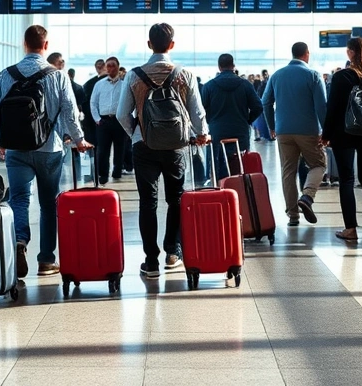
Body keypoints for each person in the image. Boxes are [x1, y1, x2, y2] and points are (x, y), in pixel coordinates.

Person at [0, 26, 91, 279]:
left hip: (16, 148)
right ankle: (47, 259)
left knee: (19, 200)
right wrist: (79, 140)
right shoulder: (58, 76)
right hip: (50, 149)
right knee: (48, 205)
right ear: (46, 46)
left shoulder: (5, 75)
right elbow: (69, 111)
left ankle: (20, 241)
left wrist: (0, 141)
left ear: (24, 43)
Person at [118, 23, 207, 279]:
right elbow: (196, 111)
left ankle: (151, 261)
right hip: (176, 146)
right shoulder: (183, 74)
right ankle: (173, 253)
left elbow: (123, 114)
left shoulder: (134, 75)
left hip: (143, 146)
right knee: (176, 199)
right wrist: (201, 134)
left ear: (149, 44)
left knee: (148, 202)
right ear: (172, 45)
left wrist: (138, 132)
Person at [321, 37, 362, 241]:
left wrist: (326, 135)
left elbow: (332, 108)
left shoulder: (342, 77)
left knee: (347, 180)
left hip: (344, 134)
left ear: (351, 52)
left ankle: (350, 228)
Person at [262, 42, 328, 227]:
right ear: (307, 54)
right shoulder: (313, 75)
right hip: (308, 130)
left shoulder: (277, 75)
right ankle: (307, 197)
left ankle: (293, 215)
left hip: (283, 131)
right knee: (319, 164)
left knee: (288, 171)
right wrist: (326, 131)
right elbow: (321, 106)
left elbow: (265, 102)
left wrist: (272, 126)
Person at [201, 53, 263, 179]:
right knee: (239, 168)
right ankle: (239, 194)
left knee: (218, 169)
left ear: (219, 67)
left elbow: (201, 110)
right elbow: (258, 107)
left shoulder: (209, 86)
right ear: (233, 66)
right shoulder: (245, 85)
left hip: (217, 133)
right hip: (240, 132)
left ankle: (222, 193)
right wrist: (247, 120)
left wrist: (210, 121)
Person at [90, 57, 129, 184]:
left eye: (113, 65)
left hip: (119, 120)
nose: (111, 68)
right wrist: (97, 119)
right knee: (103, 150)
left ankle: (117, 171)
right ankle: (103, 174)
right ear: (106, 68)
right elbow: (93, 103)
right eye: (109, 66)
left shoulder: (125, 84)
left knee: (120, 148)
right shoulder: (99, 84)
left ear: (118, 67)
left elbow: (130, 102)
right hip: (103, 121)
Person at [81, 59, 107, 148]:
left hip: (92, 122)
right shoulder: (118, 82)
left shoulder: (88, 84)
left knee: (97, 151)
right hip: (110, 121)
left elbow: (84, 104)